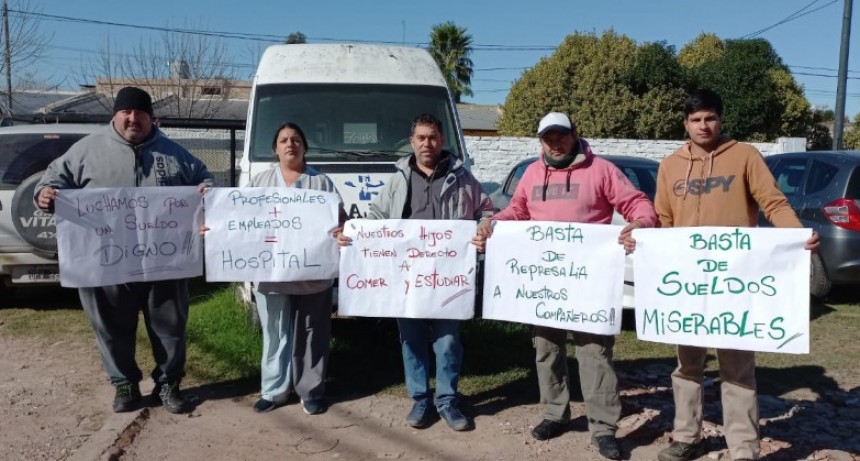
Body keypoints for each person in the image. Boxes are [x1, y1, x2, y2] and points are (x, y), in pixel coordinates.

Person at [640, 89, 820, 461]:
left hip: (734, 281)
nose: (703, 126)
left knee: (736, 368)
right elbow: (663, 219)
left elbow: (774, 202)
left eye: (710, 118)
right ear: (685, 124)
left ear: (720, 120)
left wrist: (798, 235)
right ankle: (687, 437)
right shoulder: (670, 165)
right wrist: (641, 239)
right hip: (687, 284)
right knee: (687, 365)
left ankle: (743, 449)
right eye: (695, 120)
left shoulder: (744, 156)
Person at [472, 112, 657, 460]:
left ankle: (603, 428)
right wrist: (491, 224)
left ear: (574, 134)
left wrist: (642, 221)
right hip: (545, 284)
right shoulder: (531, 173)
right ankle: (554, 413)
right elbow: (516, 211)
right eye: (547, 137)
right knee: (546, 350)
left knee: (595, 355)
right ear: (540, 141)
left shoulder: (601, 170)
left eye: (561, 135)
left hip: (589, 285)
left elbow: (637, 203)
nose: (555, 142)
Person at [34, 86, 214, 414]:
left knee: (170, 325)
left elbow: (205, 181)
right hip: (105, 263)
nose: (133, 119)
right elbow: (50, 182)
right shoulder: (85, 151)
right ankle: (124, 384)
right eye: (126, 112)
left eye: (141, 113)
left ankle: (169, 383)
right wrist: (45, 194)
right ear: (115, 115)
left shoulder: (175, 153)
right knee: (111, 325)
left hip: (165, 261)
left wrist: (206, 192)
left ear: (151, 118)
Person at [339, 113, 493, 431]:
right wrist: (354, 233)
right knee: (411, 339)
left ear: (442, 140)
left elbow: (487, 210)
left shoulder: (462, 177)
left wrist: (485, 228)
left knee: (448, 341)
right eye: (421, 137)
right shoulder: (398, 177)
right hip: (406, 278)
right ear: (412, 141)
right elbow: (378, 217)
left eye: (433, 137)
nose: (427, 143)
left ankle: (448, 400)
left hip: (449, 278)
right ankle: (421, 399)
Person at [244, 122, 346, 416]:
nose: (291, 144)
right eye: (284, 140)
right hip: (271, 276)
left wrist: (340, 231)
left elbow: (340, 219)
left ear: (305, 147)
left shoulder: (322, 184)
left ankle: (310, 390)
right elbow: (240, 221)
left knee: (313, 333)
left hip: (313, 276)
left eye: (297, 139)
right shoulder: (260, 183)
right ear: (275, 148)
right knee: (275, 332)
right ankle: (274, 390)